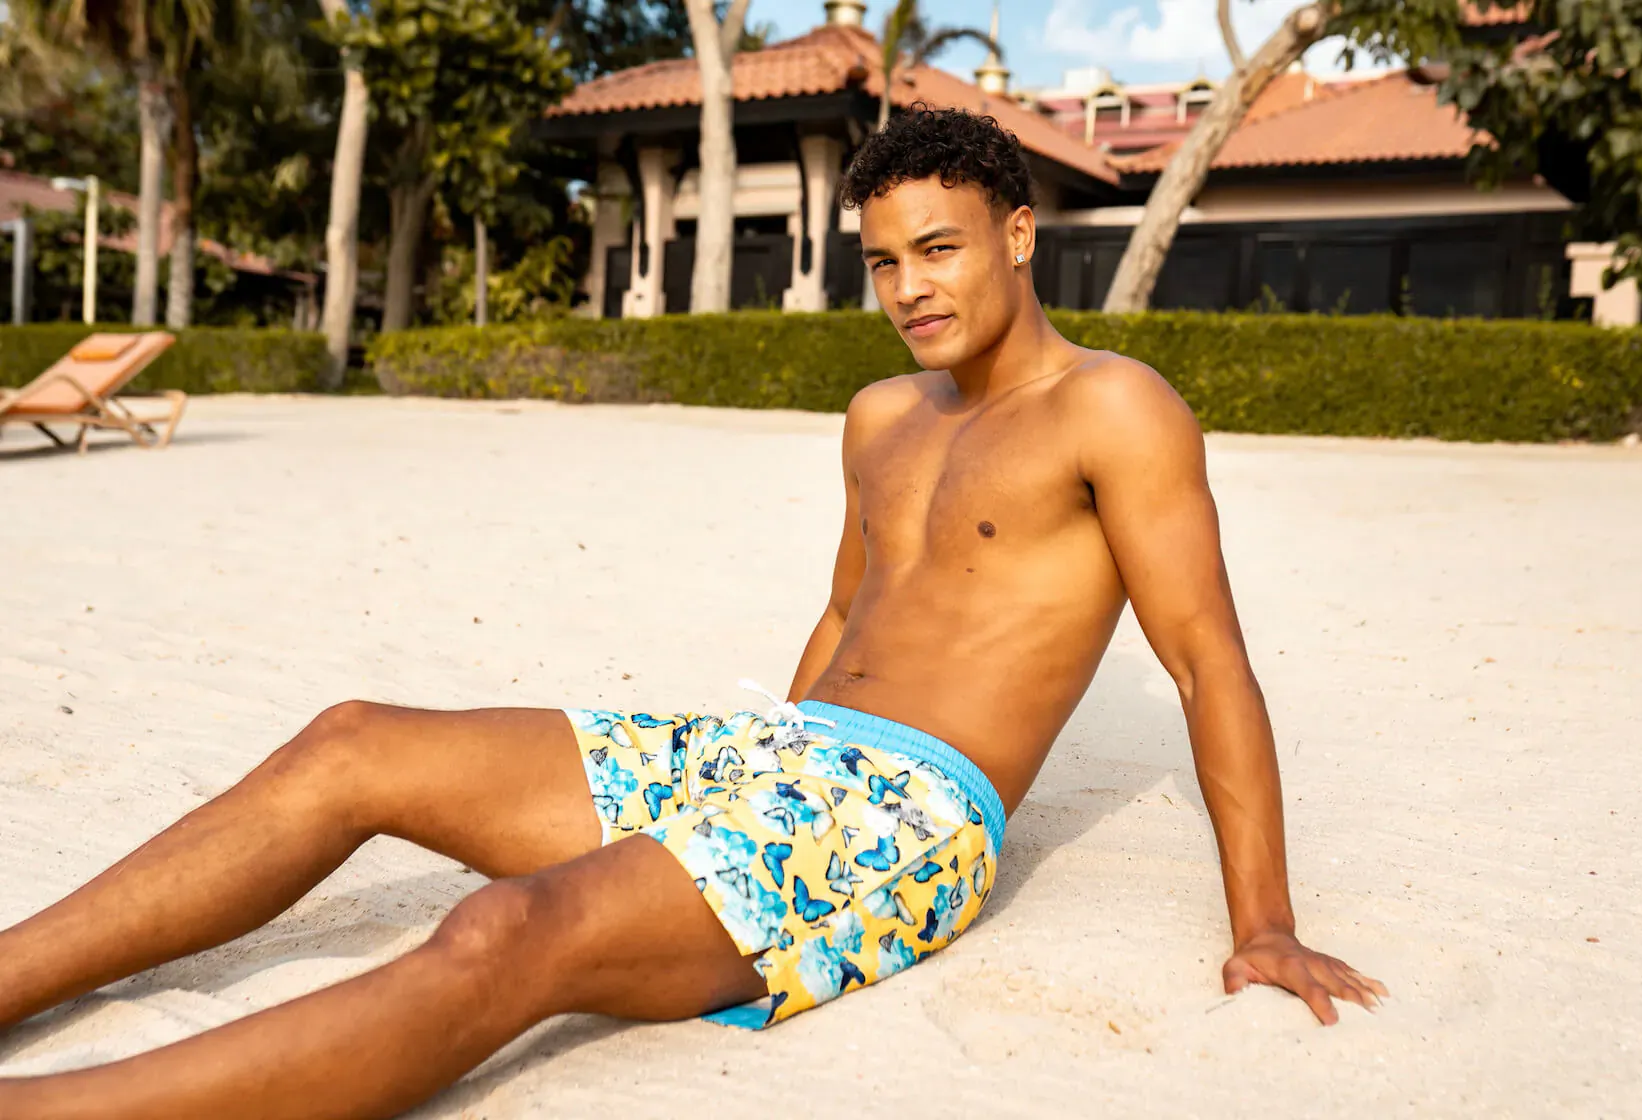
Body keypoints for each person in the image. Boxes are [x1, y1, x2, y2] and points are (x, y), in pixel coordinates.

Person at [0, 107, 1384, 1119]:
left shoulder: (1114, 408)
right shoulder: (879, 417)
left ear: (1020, 237)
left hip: (905, 814)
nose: (911, 289)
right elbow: (845, 621)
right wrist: (733, 780)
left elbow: (1208, 670)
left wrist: (1261, 921)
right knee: (353, 739)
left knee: (507, 936)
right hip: (778, 757)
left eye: (942, 250)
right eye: (884, 262)